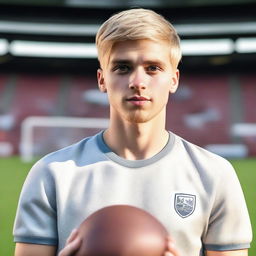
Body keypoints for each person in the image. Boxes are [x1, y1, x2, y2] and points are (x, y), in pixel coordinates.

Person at [13, 8, 252, 256]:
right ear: (102, 79)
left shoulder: (213, 174)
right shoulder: (52, 173)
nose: (138, 81)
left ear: (174, 79)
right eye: (122, 67)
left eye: (153, 68)